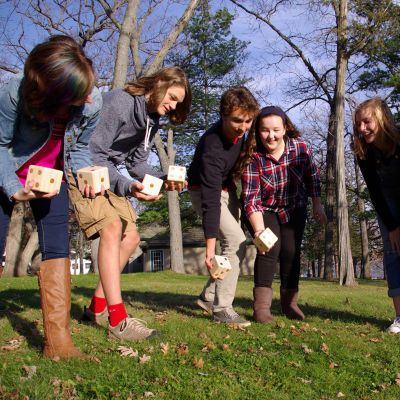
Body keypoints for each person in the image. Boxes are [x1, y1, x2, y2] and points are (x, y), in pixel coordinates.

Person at [70, 66, 192, 340]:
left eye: (178, 103)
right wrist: (127, 186)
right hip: (85, 169)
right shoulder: (118, 102)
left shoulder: (152, 120)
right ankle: (118, 320)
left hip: (109, 171)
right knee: (112, 229)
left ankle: (95, 308)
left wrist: (164, 178)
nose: (172, 106)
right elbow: (94, 153)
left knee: (131, 238)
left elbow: (136, 164)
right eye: (171, 98)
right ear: (158, 84)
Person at [0, 35, 102, 358]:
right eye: (79, 95)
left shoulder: (92, 101)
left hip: (51, 176)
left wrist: (86, 175)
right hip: (10, 170)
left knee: (57, 246)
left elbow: (81, 148)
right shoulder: (12, 93)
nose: (88, 100)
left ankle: (58, 344)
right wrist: (13, 187)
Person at [235, 106, 327, 323]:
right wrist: (258, 230)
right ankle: (261, 308)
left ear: (285, 128)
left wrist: (317, 205)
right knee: (269, 247)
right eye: (265, 130)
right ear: (258, 131)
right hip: (263, 209)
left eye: (276, 129)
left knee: (291, 251)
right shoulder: (253, 155)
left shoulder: (300, 148)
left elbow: (313, 177)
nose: (271, 136)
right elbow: (251, 197)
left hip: (294, 206)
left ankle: (289, 304)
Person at [187, 87, 259, 327]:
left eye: (248, 121)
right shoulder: (212, 147)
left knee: (236, 247)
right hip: (205, 193)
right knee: (235, 240)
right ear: (223, 116)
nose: (243, 127)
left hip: (228, 190)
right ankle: (222, 309)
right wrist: (209, 251)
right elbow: (209, 202)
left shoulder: (243, 133)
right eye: (237, 121)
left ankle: (208, 297)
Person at [353, 98, 400, 333]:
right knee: (393, 252)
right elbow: (375, 191)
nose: (362, 128)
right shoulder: (363, 152)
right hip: (387, 199)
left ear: (382, 119)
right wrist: (393, 226)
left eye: (367, 122)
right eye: (358, 124)